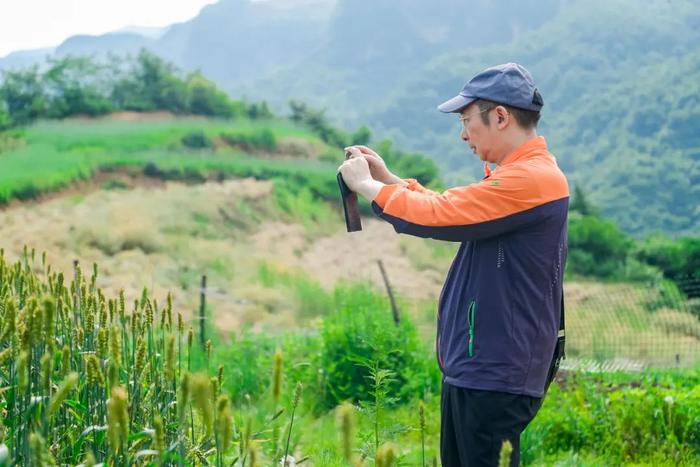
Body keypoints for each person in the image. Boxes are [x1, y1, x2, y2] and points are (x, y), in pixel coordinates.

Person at [338, 63, 569, 466]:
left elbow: (439, 214)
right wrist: (389, 179)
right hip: (483, 368)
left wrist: (366, 186)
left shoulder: (530, 180)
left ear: (500, 116)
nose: (463, 134)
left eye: (466, 121)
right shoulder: (519, 178)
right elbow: (453, 208)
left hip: (496, 371)